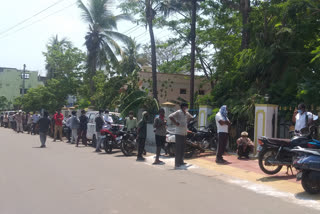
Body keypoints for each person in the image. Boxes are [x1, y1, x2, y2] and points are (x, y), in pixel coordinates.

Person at [169, 103, 193, 169]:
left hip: (184, 132)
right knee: (178, 149)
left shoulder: (186, 113)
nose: (187, 108)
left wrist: (187, 122)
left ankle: (181, 161)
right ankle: (177, 163)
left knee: (182, 148)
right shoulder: (178, 112)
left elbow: (191, 117)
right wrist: (176, 123)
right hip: (179, 133)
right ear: (183, 107)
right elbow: (170, 116)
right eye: (186, 107)